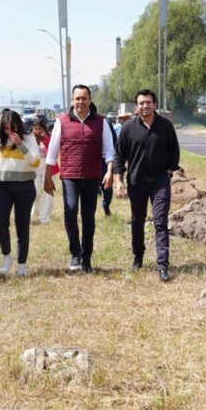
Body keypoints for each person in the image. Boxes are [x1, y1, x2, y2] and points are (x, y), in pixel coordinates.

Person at [44, 85, 115, 273]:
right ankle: (75, 252)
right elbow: (52, 152)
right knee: (70, 212)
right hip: (69, 176)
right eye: (77, 98)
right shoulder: (61, 121)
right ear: (72, 101)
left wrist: (109, 171)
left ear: (90, 100)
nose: (80, 102)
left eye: (84, 98)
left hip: (92, 177)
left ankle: (87, 258)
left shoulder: (101, 122)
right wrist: (47, 177)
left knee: (88, 218)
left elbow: (109, 150)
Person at [114, 89, 180, 282]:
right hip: (137, 182)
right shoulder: (128, 128)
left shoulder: (166, 126)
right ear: (137, 106)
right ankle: (138, 256)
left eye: (148, 102)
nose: (145, 106)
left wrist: (169, 170)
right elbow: (119, 156)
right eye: (141, 103)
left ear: (154, 104)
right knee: (138, 221)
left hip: (160, 182)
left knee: (160, 222)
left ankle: (162, 265)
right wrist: (118, 181)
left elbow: (174, 151)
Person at [0, 111, 40, 277]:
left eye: (13, 127)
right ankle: (6, 256)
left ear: (19, 125)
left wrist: (21, 145)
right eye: (6, 128)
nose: (10, 131)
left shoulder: (29, 139)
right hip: (2, 186)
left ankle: (22, 264)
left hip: (25, 186)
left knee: (22, 225)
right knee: (1, 222)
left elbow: (36, 162)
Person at [31, 119, 55, 223]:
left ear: (44, 128)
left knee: (48, 193)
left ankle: (45, 217)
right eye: (35, 128)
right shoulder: (30, 138)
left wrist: (45, 139)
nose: (37, 131)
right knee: (34, 192)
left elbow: (53, 151)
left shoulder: (49, 137)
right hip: (35, 169)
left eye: (39, 128)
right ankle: (35, 211)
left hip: (48, 168)